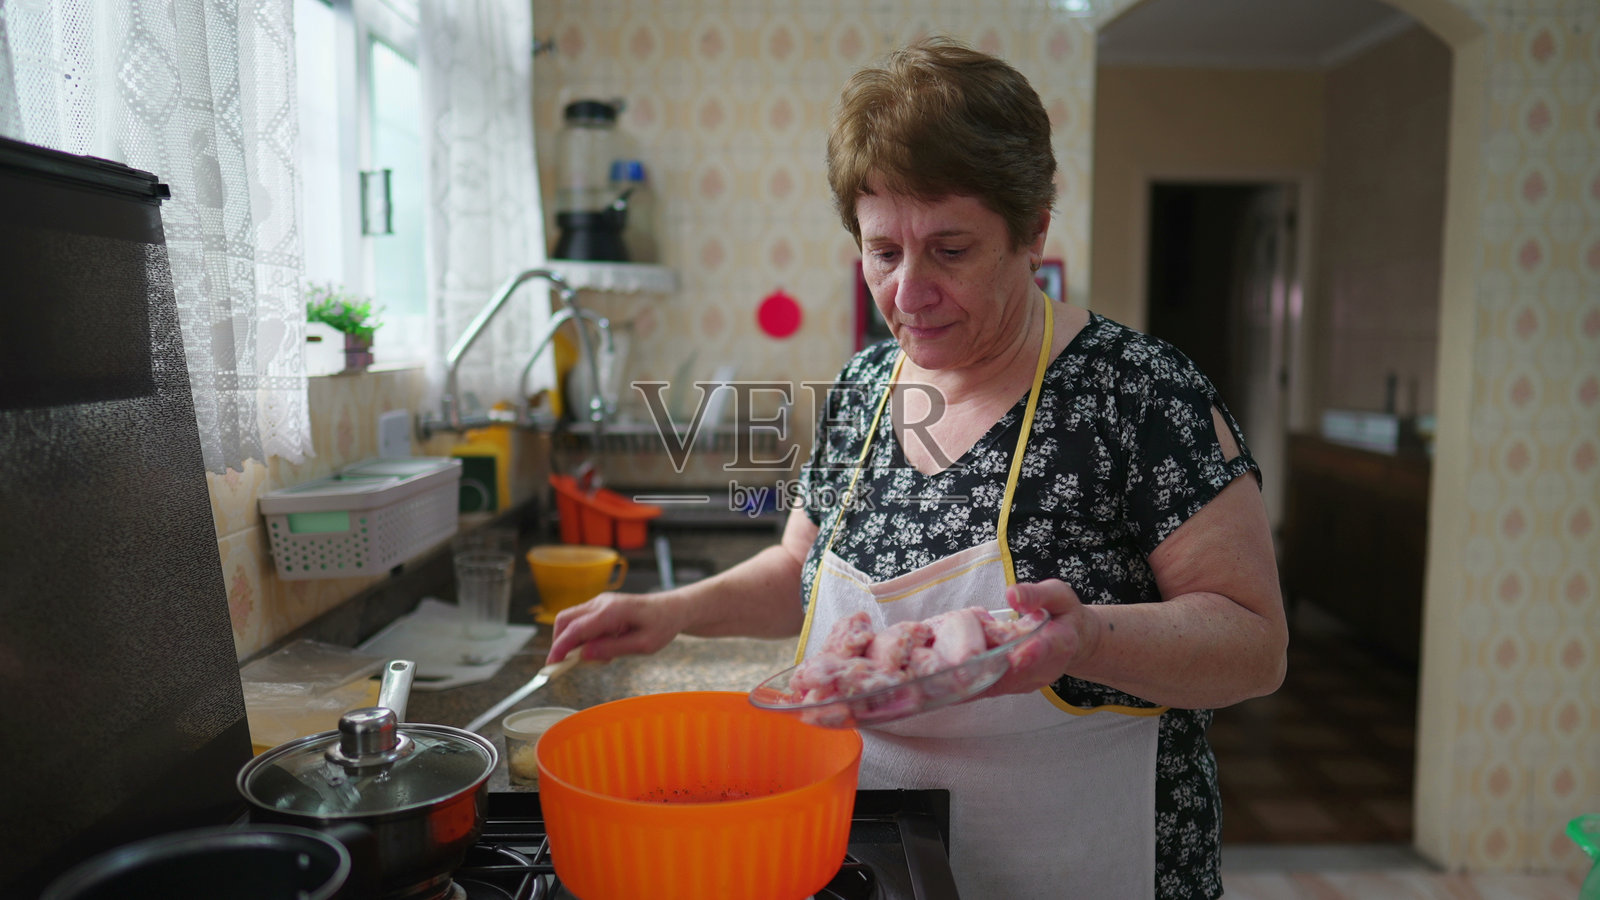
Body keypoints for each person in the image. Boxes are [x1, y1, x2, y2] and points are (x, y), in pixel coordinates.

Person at [545, 36, 1287, 900]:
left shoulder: (1139, 394)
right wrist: (667, 612)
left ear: (1032, 231)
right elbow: (801, 571)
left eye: (951, 250)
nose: (907, 292)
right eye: (883, 252)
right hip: (882, 864)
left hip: (1088, 864)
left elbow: (1254, 645)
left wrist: (1087, 637)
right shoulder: (865, 384)